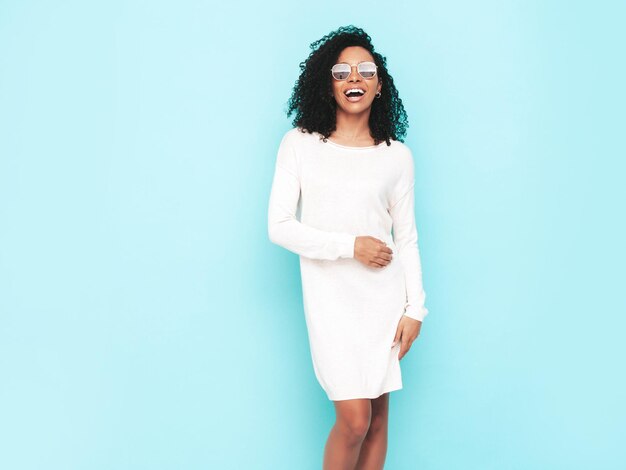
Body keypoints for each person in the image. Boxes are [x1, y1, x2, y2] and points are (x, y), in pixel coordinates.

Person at [267, 25, 429, 470]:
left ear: (379, 85)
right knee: (354, 419)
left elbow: (407, 238)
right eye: (341, 71)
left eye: (365, 71)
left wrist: (416, 308)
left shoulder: (397, 155)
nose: (353, 77)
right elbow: (279, 227)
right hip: (331, 299)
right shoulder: (299, 144)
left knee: (377, 421)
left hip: (384, 298)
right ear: (328, 83)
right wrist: (349, 246)